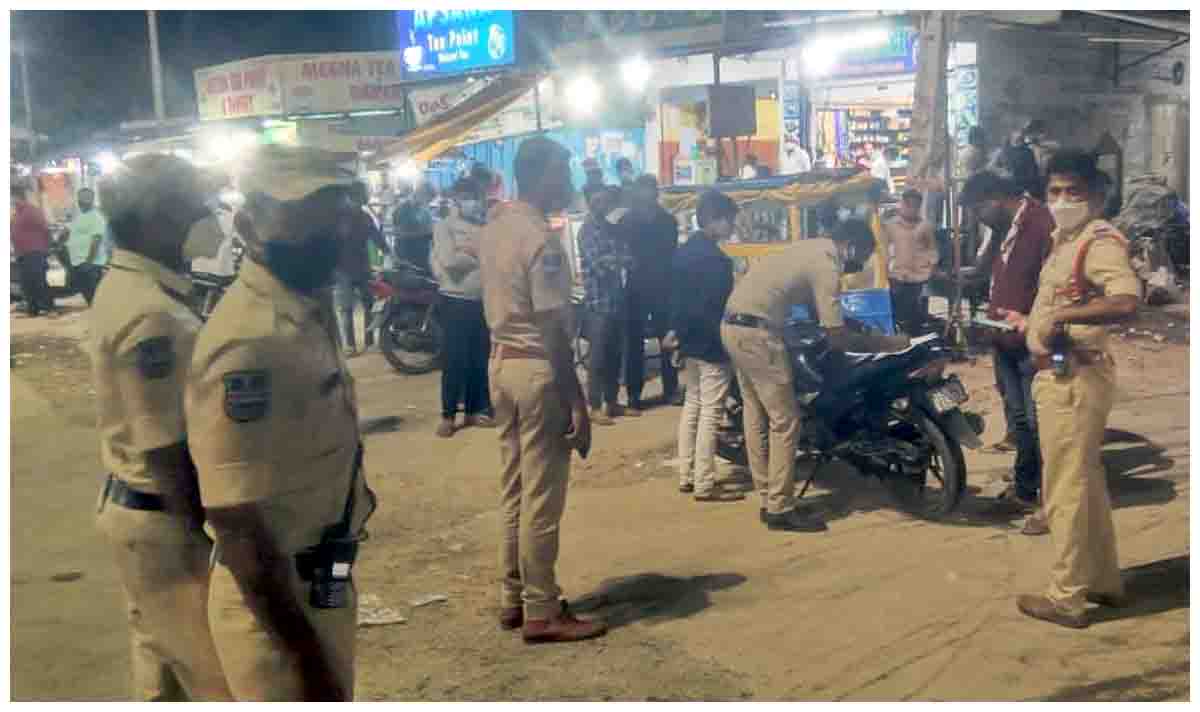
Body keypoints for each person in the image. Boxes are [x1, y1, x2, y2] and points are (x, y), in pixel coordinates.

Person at [185, 146, 377, 699]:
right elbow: (236, 522)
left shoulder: (302, 308)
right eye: (304, 219)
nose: (328, 233)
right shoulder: (250, 340)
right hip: (276, 613)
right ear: (249, 227)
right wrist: (306, 663)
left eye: (333, 216)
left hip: (323, 581)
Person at [90, 153, 233, 701]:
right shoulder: (151, 313)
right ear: (155, 219)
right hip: (166, 524)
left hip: (138, 515)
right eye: (191, 205)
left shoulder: (132, 285)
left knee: (163, 676)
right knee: (218, 681)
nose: (205, 216)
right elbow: (164, 447)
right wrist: (215, 537)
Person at [1003, 150, 1140, 629]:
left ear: (1096, 196)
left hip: (1072, 380)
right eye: (1054, 192)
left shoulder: (1098, 242)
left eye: (1072, 191)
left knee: (1063, 489)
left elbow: (1125, 300)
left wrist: (1061, 317)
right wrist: (1033, 322)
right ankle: (1103, 581)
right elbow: (1065, 299)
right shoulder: (1067, 242)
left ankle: (1066, 597)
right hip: (1068, 374)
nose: (1061, 200)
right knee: (1087, 484)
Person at [478, 135, 606, 644]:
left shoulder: (496, 227)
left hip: (501, 365)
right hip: (536, 369)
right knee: (542, 497)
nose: (569, 181)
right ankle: (542, 610)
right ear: (542, 175)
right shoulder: (539, 239)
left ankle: (513, 596)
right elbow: (553, 331)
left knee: (514, 488)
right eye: (563, 170)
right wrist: (577, 401)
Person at [721, 218, 898, 532]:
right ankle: (780, 508)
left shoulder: (810, 248)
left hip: (734, 327)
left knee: (756, 413)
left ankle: (768, 497)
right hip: (759, 336)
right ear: (851, 246)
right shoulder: (827, 264)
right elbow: (835, 336)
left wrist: (858, 328)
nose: (856, 268)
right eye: (860, 257)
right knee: (786, 421)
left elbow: (823, 314)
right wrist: (884, 343)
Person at [961, 171, 1055, 534]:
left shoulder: (1041, 224)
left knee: (1039, 422)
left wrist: (1034, 322)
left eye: (978, 209)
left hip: (1031, 342)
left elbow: (1052, 285)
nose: (978, 217)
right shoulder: (1004, 229)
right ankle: (1026, 489)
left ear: (996, 198)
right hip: (1004, 341)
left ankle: (1052, 503)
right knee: (1019, 420)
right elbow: (993, 274)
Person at [666, 190, 738, 501]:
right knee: (711, 412)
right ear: (713, 220)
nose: (732, 226)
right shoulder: (717, 261)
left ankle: (687, 475)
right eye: (729, 220)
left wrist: (677, 336)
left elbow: (675, 300)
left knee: (693, 406)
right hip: (711, 343)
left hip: (688, 342)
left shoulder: (682, 254)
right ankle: (705, 483)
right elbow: (718, 307)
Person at [431, 177, 494, 437]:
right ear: (456, 198)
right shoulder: (444, 226)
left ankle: (475, 410)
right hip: (455, 300)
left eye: (476, 196)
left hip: (482, 300)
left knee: (480, 358)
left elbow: (493, 258)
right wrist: (478, 254)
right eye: (467, 196)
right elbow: (449, 261)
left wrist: (470, 252)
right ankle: (448, 415)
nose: (473, 201)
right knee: (455, 360)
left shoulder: (484, 226)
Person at [620, 174, 680, 410]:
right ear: (637, 193)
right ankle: (634, 395)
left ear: (656, 193)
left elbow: (672, 255)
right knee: (634, 343)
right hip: (635, 289)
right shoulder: (627, 221)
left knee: (668, 340)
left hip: (663, 287)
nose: (647, 195)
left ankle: (671, 390)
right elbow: (621, 253)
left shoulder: (668, 222)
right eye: (642, 190)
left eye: (650, 190)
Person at [578, 185, 636, 425]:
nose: (602, 204)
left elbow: (630, 259)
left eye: (604, 200)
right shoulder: (586, 231)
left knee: (615, 354)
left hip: (617, 300)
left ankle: (611, 402)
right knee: (597, 357)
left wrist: (614, 260)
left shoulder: (613, 229)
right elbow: (598, 265)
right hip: (597, 302)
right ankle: (594, 406)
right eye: (597, 200)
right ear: (589, 202)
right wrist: (615, 260)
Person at [334, 181, 389, 357]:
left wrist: (389, 253)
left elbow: (377, 237)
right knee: (346, 308)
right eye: (360, 197)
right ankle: (350, 345)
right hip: (343, 270)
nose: (361, 201)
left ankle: (369, 341)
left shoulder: (365, 217)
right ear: (352, 197)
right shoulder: (340, 217)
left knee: (369, 304)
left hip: (362, 267)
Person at [885, 190, 939, 336]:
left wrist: (932, 268)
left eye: (915, 206)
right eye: (908, 205)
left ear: (919, 206)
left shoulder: (926, 226)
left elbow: (932, 249)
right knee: (897, 315)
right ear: (902, 204)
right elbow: (883, 249)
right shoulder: (890, 226)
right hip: (896, 276)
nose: (911, 209)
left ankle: (916, 340)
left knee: (916, 316)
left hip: (919, 277)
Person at [11, 184, 55, 317]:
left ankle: (50, 309)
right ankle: (32, 310)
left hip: (35, 252)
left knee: (39, 281)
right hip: (22, 254)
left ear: (17, 196)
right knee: (26, 283)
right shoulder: (16, 214)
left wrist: (48, 248)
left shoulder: (31, 211)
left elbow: (45, 229)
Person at [63, 187, 110, 305]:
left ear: (91, 199)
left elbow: (96, 240)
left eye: (85, 197)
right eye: (80, 198)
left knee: (95, 298)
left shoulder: (96, 217)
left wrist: (89, 262)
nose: (82, 200)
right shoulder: (79, 216)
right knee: (88, 296)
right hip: (78, 263)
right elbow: (69, 232)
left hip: (90, 265)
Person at [393, 186, 435, 272]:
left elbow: (428, 226)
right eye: (428, 199)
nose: (428, 202)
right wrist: (425, 233)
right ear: (421, 193)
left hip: (422, 253)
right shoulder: (403, 209)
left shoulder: (424, 209)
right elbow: (399, 232)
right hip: (408, 254)